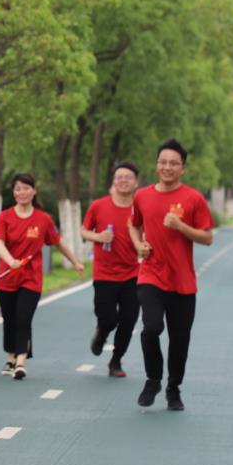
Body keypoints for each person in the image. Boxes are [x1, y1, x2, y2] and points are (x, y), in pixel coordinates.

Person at [128, 139, 214, 411]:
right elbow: (133, 225)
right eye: (163, 162)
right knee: (151, 328)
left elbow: (207, 237)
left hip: (182, 281)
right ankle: (153, 379)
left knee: (179, 339)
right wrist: (138, 244)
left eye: (173, 163)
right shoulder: (142, 196)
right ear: (156, 166)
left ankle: (173, 389)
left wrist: (181, 226)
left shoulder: (194, 198)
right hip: (151, 274)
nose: (167, 167)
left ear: (182, 168)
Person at [0, 173, 85, 380]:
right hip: (7, 277)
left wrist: (75, 261)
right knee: (9, 319)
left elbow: (58, 242)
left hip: (31, 278)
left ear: (34, 191)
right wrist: (11, 261)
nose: (22, 192)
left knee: (23, 318)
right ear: (13, 192)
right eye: (18, 189)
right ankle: (10, 357)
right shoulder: (4, 217)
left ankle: (20, 362)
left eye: (26, 188)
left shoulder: (43, 219)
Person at [80, 161, 141, 378]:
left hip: (133, 273)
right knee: (107, 319)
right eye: (119, 177)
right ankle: (101, 334)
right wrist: (98, 237)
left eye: (128, 177)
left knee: (129, 320)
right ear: (114, 181)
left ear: (136, 183)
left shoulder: (140, 208)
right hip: (104, 273)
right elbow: (84, 231)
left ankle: (116, 361)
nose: (123, 181)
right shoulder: (99, 206)